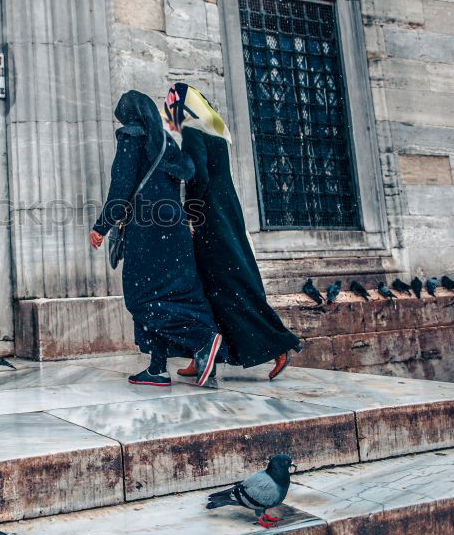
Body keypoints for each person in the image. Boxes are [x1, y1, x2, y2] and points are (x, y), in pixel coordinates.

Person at [163, 83, 301, 380]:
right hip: (224, 214)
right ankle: (205, 356)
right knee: (219, 286)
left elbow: (197, 176)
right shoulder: (213, 131)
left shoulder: (192, 132)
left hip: (211, 219)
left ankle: (276, 344)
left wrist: (189, 215)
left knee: (225, 286)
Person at [89, 90, 222, 387]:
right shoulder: (166, 143)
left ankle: (202, 339)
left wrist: (102, 226)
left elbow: (121, 189)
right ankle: (159, 367)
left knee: (142, 297)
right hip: (175, 229)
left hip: (147, 229)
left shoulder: (131, 137)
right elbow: (185, 178)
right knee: (179, 291)